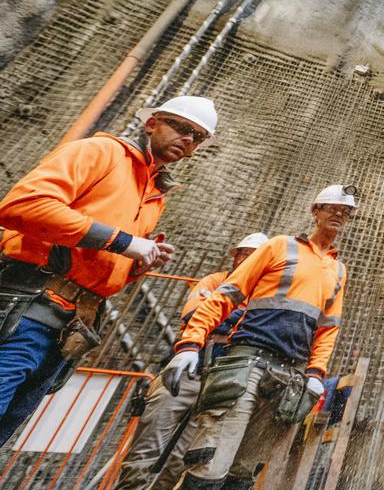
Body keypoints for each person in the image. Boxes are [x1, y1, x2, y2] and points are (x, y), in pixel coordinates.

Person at [0, 95, 218, 447]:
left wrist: (137, 264)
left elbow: (105, 263)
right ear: (152, 123)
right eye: (182, 128)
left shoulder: (154, 194)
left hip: (69, 327)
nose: (189, 139)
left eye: (199, 137)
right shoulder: (102, 153)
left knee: (8, 423)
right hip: (28, 307)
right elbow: (22, 206)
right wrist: (123, 242)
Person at [162, 184, 355, 490]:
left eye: (345, 212)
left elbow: (328, 328)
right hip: (247, 365)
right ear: (315, 211)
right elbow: (227, 294)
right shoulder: (280, 246)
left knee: (244, 472)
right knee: (210, 462)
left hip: (288, 376)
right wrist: (190, 343)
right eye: (332, 208)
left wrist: (316, 372)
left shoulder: (338, 271)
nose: (339, 215)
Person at [112, 232, 269, 490]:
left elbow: (248, 332)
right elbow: (195, 316)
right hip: (187, 371)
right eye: (244, 253)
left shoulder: (262, 295)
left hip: (219, 378)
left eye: (253, 256)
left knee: (184, 455)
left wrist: (224, 318)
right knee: (150, 441)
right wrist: (231, 320)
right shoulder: (214, 281)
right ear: (236, 255)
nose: (247, 259)